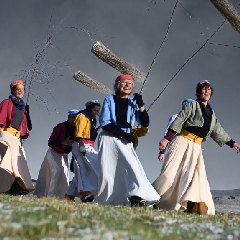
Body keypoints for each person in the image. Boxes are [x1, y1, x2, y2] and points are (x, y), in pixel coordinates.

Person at [152, 80, 240, 215]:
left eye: (209, 89)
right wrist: (166, 138)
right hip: (182, 141)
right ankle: (152, 199)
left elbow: (218, 131)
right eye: (204, 89)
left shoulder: (211, 113)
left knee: (195, 177)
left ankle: (191, 206)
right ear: (199, 92)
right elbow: (179, 120)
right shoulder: (192, 105)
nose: (207, 91)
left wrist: (232, 143)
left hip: (196, 147)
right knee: (169, 174)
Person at [94, 74, 160, 206]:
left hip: (125, 138)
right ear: (118, 85)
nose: (127, 85)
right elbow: (105, 123)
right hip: (109, 137)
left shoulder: (133, 103)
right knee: (109, 170)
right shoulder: (109, 99)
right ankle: (111, 198)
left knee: (133, 166)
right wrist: (124, 135)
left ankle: (137, 196)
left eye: (130, 83)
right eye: (124, 83)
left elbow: (145, 123)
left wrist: (141, 105)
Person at [34, 109, 79, 199]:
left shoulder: (77, 130)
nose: (75, 120)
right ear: (69, 117)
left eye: (77, 118)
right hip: (54, 153)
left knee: (64, 178)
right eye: (73, 117)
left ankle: (60, 199)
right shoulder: (60, 127)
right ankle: (49, 197)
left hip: (64, 156)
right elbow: (50, 143)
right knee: (57, 172)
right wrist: (63, 142)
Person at [0, 79, 34, 195]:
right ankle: (15, 186)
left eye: (22, 90)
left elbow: (27, 126)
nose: (21, 92)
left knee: (19, 160)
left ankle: (9, 188)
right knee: (11, 158)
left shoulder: (22, 108)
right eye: (18, 89)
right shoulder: (7, 102)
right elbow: (2, 117)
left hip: (16, 137)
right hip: (6, 133)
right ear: (13, 90)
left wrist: (27, 114)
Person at [65, 100, 101, 202]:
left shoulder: (92, 119)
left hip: (89, 145)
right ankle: (84, 194)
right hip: (82, 145)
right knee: (83, 170)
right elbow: (79, 132)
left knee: (83, 170)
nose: (96, 113)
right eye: (94, 110)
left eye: (97, 111)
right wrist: (81, 145)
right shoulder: (83, 116)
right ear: (89, 108)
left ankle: (69, 195)